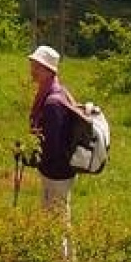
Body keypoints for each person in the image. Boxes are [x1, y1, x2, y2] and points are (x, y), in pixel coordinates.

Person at [28, 45, 78, 217]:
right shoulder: (53, 91)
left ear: (50, 71)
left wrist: (33, 158)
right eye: (33, 65)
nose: (33, 70)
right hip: (57, 168)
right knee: (51, 214)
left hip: (57, 171)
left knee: (57, 218)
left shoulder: (52, 103)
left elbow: (52, 144)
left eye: (38, 67)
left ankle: (59, 238)